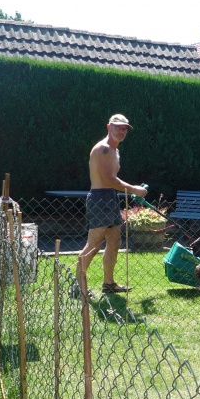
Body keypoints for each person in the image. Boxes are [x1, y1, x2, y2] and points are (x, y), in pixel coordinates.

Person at [76, 114, 147, 296]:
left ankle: (108, 284)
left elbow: (111, 181)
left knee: (114, 242)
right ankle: (77, 287)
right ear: (109, 127)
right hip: (100, 199)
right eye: (118, 127)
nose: (122, 131)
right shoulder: (104, 149)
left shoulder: (114, 150)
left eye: (124, 128)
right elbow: (108, 179)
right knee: (93, 245)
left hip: (110, 197)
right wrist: (134, 189)